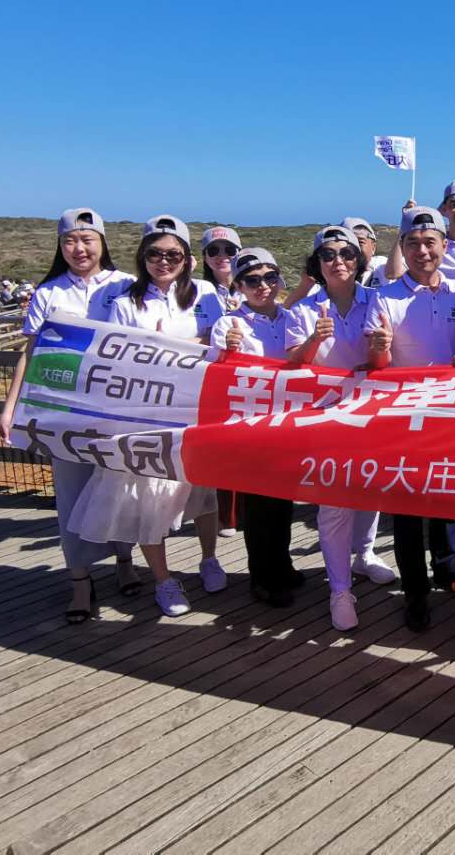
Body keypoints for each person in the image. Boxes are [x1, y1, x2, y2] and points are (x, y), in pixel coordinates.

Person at [69, 214, 227, 618]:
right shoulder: (125, 302)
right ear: (142, 256)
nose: (163, 261)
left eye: (173, 254)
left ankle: (209, 558)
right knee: (147, 498)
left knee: (202, 493)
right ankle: (163, 580)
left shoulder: (206, 293)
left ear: (187, 258)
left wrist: (175, 346)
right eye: (155, 253)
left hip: (194, 411)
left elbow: (220, 340)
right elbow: (115, 354)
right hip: (144, 416)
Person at [0, 208, 139, 622]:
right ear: (60, 247)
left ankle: (125, 561)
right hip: (64, 412)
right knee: (71, 493)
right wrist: (11, 405)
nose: (79, 248)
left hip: (114, 408)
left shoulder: (126, 285)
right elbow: (31, 353)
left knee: (118, 487)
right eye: (70, 241)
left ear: (102, 243)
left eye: (87, 239)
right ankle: (79, 579)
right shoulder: (49, 293)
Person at [365, 205, 455, 631]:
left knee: (447, 499)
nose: (423, 251)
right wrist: (380, 349)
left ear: (444, 245)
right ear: (403, 247)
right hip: (403, 419)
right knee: (407, 511)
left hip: (450, 413)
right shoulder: (383, 296)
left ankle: (447, 569)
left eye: (430, 242)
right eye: (413, 243)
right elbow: (376, 364)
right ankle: (414, 592)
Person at [285, 225, 398, 627]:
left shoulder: (377, 300)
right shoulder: (302, 309)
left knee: (370, 488)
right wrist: (314, 340)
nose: (338, 262)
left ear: (359, 259)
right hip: (325, 418)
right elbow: (293, 364)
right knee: (334, 506)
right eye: (328, 255)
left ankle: (364, 554)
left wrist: (381, 350)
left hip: (371, 413)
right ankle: (339, 590)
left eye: (347, 253)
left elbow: (380, 364)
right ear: (316, 263)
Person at [210, 247, 309, 610]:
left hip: (287, 424)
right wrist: (227, 352)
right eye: (252, 280)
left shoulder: (293, 318)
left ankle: (282, 564)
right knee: (257, 508)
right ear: (238, 286)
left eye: (269, 277)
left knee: (283, 503)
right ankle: (262, 578)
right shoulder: (227, 325)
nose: (263, 286)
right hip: (249, 428)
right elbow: (214, 374)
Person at [201, 225, 245, 537]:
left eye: (229, 250)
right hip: (211, 377)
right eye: (214, 251)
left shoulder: (254, 284)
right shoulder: (197, 292)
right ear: (204, 257)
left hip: (247, 377)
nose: (222, 256)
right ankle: (225, 516)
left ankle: (242, 511)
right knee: (220, 446)